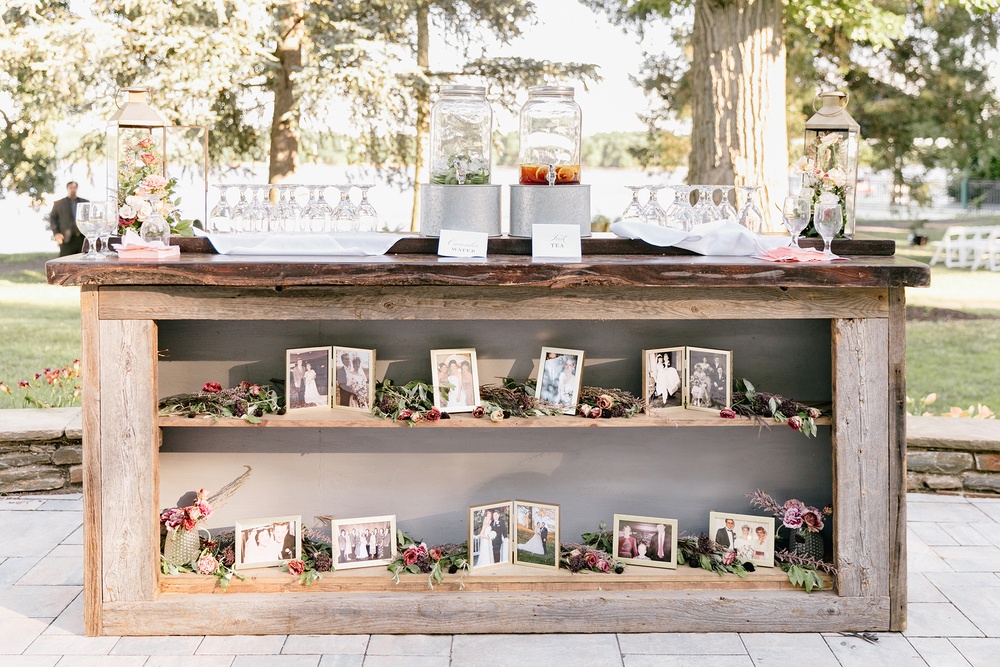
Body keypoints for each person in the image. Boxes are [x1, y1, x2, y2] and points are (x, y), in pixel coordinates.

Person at [48, 181, 89, 256]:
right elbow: (52, 219)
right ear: (67, 189)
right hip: (66, 238)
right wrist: (56, 233)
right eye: (71, 188)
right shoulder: (59, 204)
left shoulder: (85, 203)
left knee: (83, 260)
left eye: (74, 188)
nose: (73, 190)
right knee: (65, 260)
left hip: (82, 238)